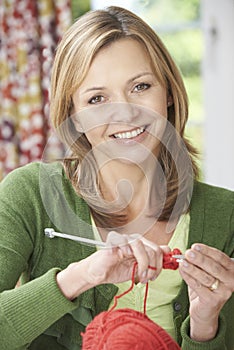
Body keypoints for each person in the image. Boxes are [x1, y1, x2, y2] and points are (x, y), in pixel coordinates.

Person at [0, 5, 233, 350]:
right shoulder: (29, 195)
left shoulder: (225, 215)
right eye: (97, 98)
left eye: (140, 86)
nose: (124, 112)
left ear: (168, 92)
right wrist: (81, 276)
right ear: (74, 116)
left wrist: (204, 324)